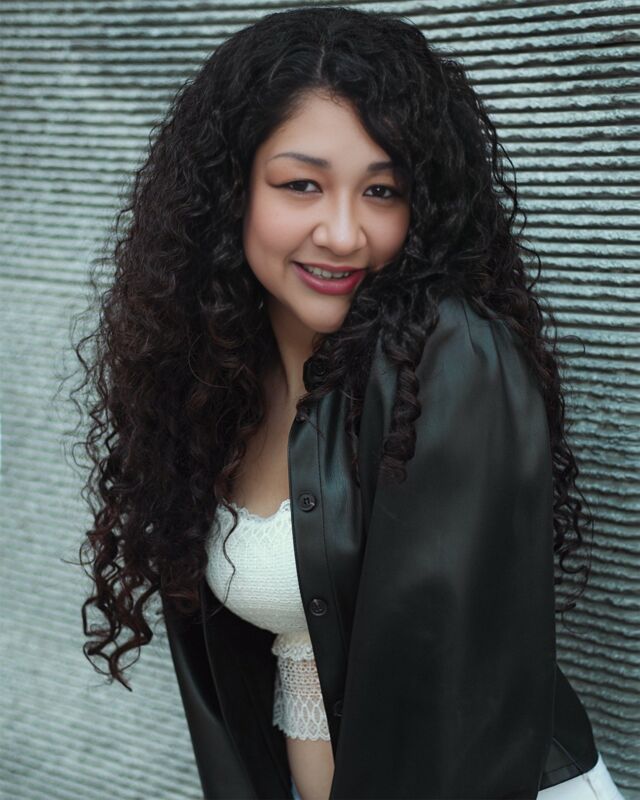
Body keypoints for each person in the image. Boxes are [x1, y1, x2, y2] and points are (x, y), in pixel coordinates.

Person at [72, 6, 629, 799]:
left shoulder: (449, 361)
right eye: (301, 184)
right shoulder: (214, 381)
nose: (343, 233)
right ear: (231, 192)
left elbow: (449, 716)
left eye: (381, 190)